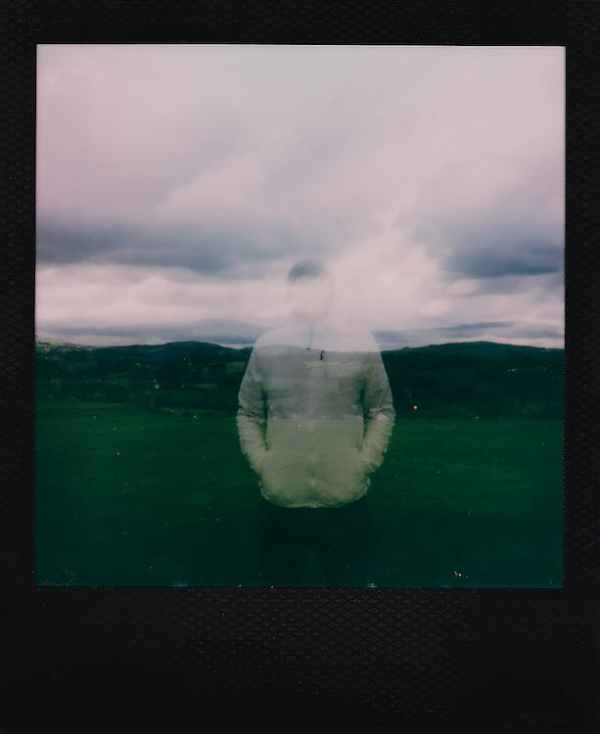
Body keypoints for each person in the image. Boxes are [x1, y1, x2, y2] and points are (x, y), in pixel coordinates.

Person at [236, 258, 395, 586]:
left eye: (318, 287)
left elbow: (381, 410)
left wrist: (364, 463)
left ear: (331, 291)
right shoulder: (268, 345)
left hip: (345, 499)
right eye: (302, 288)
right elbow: (249, 413)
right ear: (290, 293)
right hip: (281, 499)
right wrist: (263, 463)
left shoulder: (359, 341)